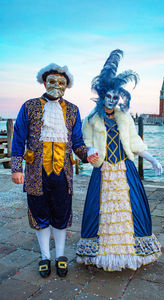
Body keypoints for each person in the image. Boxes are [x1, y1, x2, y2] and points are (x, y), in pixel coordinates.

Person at [76, 49, 162, 271]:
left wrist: (152, 159)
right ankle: (100, 253)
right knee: (99, 210)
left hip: (125, 170)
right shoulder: (92, 120)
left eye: (116, 97)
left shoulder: (125, 119)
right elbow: (83, 142)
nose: (113, 100)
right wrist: (91, 148)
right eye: (109, 96)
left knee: (133, 209)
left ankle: (132, 252)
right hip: (103, 170)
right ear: (102, 95)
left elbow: (134, 143)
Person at [11, 63, 92, 278]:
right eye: (52, 81)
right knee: (40, 213)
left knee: (61, 213)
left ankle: (61, 256)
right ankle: (45, 256)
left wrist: (89, 155)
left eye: (62, 83)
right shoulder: (29, 106)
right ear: (44, 82)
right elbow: (18, 138)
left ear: (67, 86)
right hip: (36, 173)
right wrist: (16, 169)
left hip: (63, 173)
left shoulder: (73, 110)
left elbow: (77, 142)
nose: (57, 85)